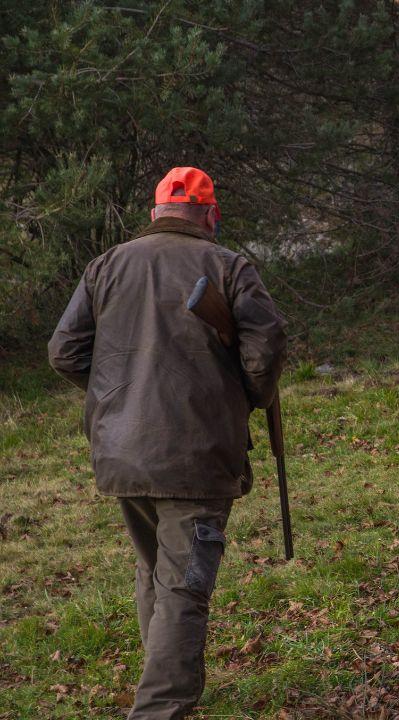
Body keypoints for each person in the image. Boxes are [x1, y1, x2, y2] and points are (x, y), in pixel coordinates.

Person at [47, 167, 287, 719]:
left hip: (122, 453)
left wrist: (119, 399)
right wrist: (246, 396)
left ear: (157, 212)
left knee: (157, 570)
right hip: (195, 456)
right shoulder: (228, 265)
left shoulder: (107, 265)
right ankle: (159, 709)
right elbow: (267, 344)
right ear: (208, 214)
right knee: (184, 587)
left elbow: (65, 352)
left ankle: (166, 682)